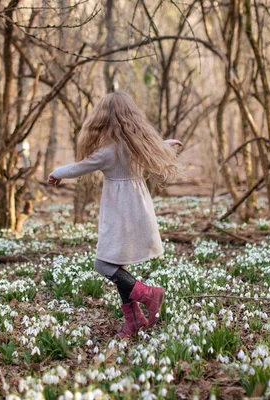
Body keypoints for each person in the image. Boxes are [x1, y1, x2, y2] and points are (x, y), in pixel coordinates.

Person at [48, 92, 183, 338]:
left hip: (120, 214)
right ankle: (134, 322)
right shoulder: (138, 147)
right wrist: (167, 145)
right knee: (117, 265)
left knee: (103, 264)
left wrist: (56, 172)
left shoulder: (107, 152)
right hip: (139, 211)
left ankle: (150, 295)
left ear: (104, 120)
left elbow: (80, 167)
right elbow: (155, 149)